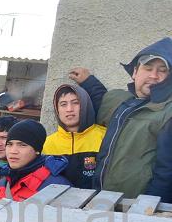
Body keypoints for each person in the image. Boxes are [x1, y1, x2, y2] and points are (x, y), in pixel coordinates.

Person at [69, 37, 172, 201]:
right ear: (135, 72)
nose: (153, 75)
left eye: (162, 70)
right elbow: (100, 100)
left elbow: (167, 172)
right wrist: (88, 81)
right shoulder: (119, 100)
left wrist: (148, 209)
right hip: (102, 198)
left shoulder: (168, 112)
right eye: (148, 68)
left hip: (135, 208)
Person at [0, 120, 71, 204]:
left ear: (37, 150)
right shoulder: (2, 182)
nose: (13, 151)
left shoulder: (56, 186)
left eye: (22, 145)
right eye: (9, 144)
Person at [42, 83, 106, 189]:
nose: (69, 109)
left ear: (85, 105)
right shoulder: (47, 144)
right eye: (63, 104)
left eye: (75, 103)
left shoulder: (105, 137)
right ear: (57, 109)